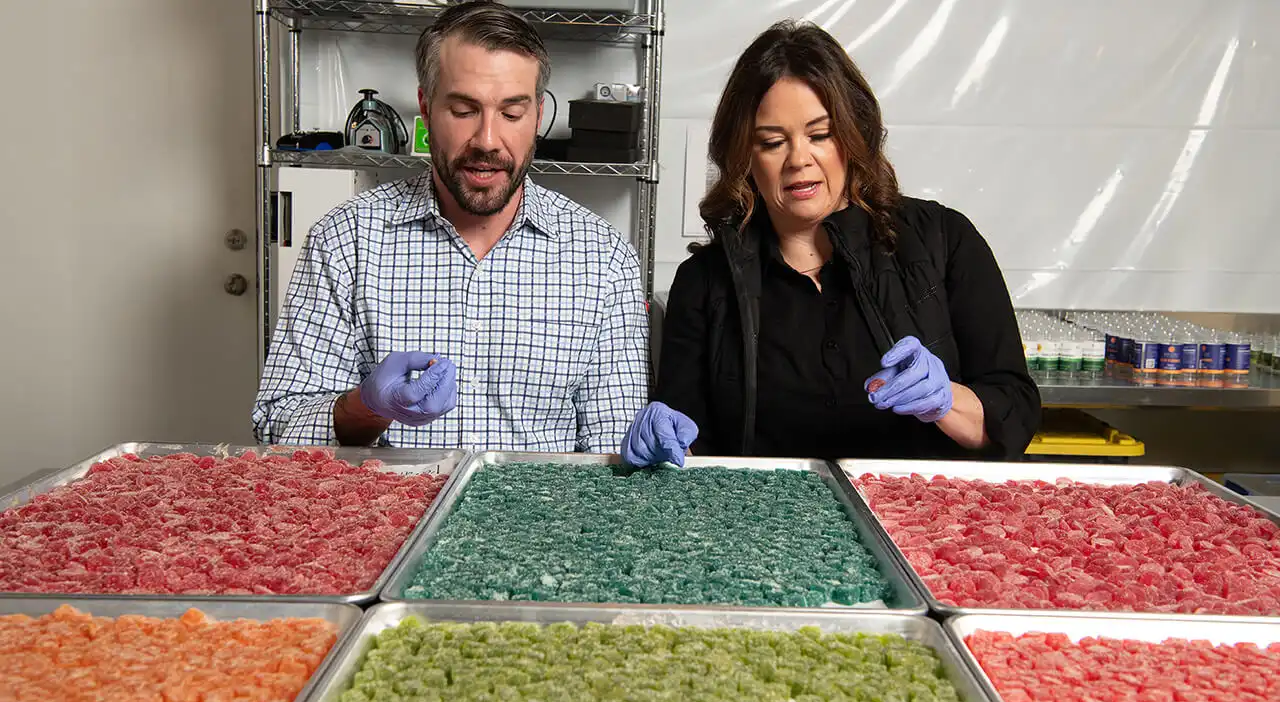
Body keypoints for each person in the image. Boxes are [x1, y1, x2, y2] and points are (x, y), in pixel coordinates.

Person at [621, 20, 1039, 467]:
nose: (799, 159)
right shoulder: (704, 282)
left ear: (853, 135)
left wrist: (946, 401)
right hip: (766, 525)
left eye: (820, 135)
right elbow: (689, 444)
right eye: (772, 142)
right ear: (744, 157)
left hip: (922, 519)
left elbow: (1015, 412)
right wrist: (664, 443)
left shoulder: (944, 241)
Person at [253, 0, 647, 452]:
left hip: (539, 518)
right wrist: (368, 407)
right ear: (426, 106)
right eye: (463, 110)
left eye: (512, 114)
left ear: (538, 116)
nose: (487, 141)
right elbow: (278, 424)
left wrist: (641, 451)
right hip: (385, 516)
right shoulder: (345, 239)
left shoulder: (605, 257)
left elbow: (612, 440)